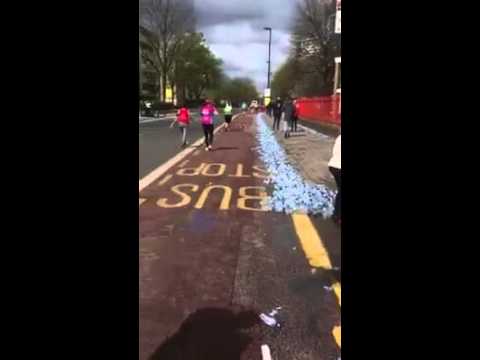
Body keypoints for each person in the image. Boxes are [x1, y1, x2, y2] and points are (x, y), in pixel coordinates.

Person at [328, 133, 341, 224]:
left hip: (333, 166)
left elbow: (334, 152)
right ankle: (337, 215)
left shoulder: (339, 137)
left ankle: (336, 214)